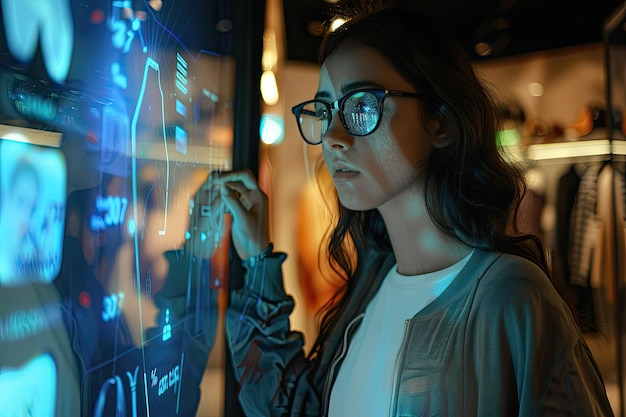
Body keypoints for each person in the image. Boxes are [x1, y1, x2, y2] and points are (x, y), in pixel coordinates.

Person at [211, 1, 615, 416]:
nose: (331, 136)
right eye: (325, 109)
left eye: (362, 105)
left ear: (439, 121)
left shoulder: (510, 294)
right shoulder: (372, 281)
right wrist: (258, 259)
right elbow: (292, 406)